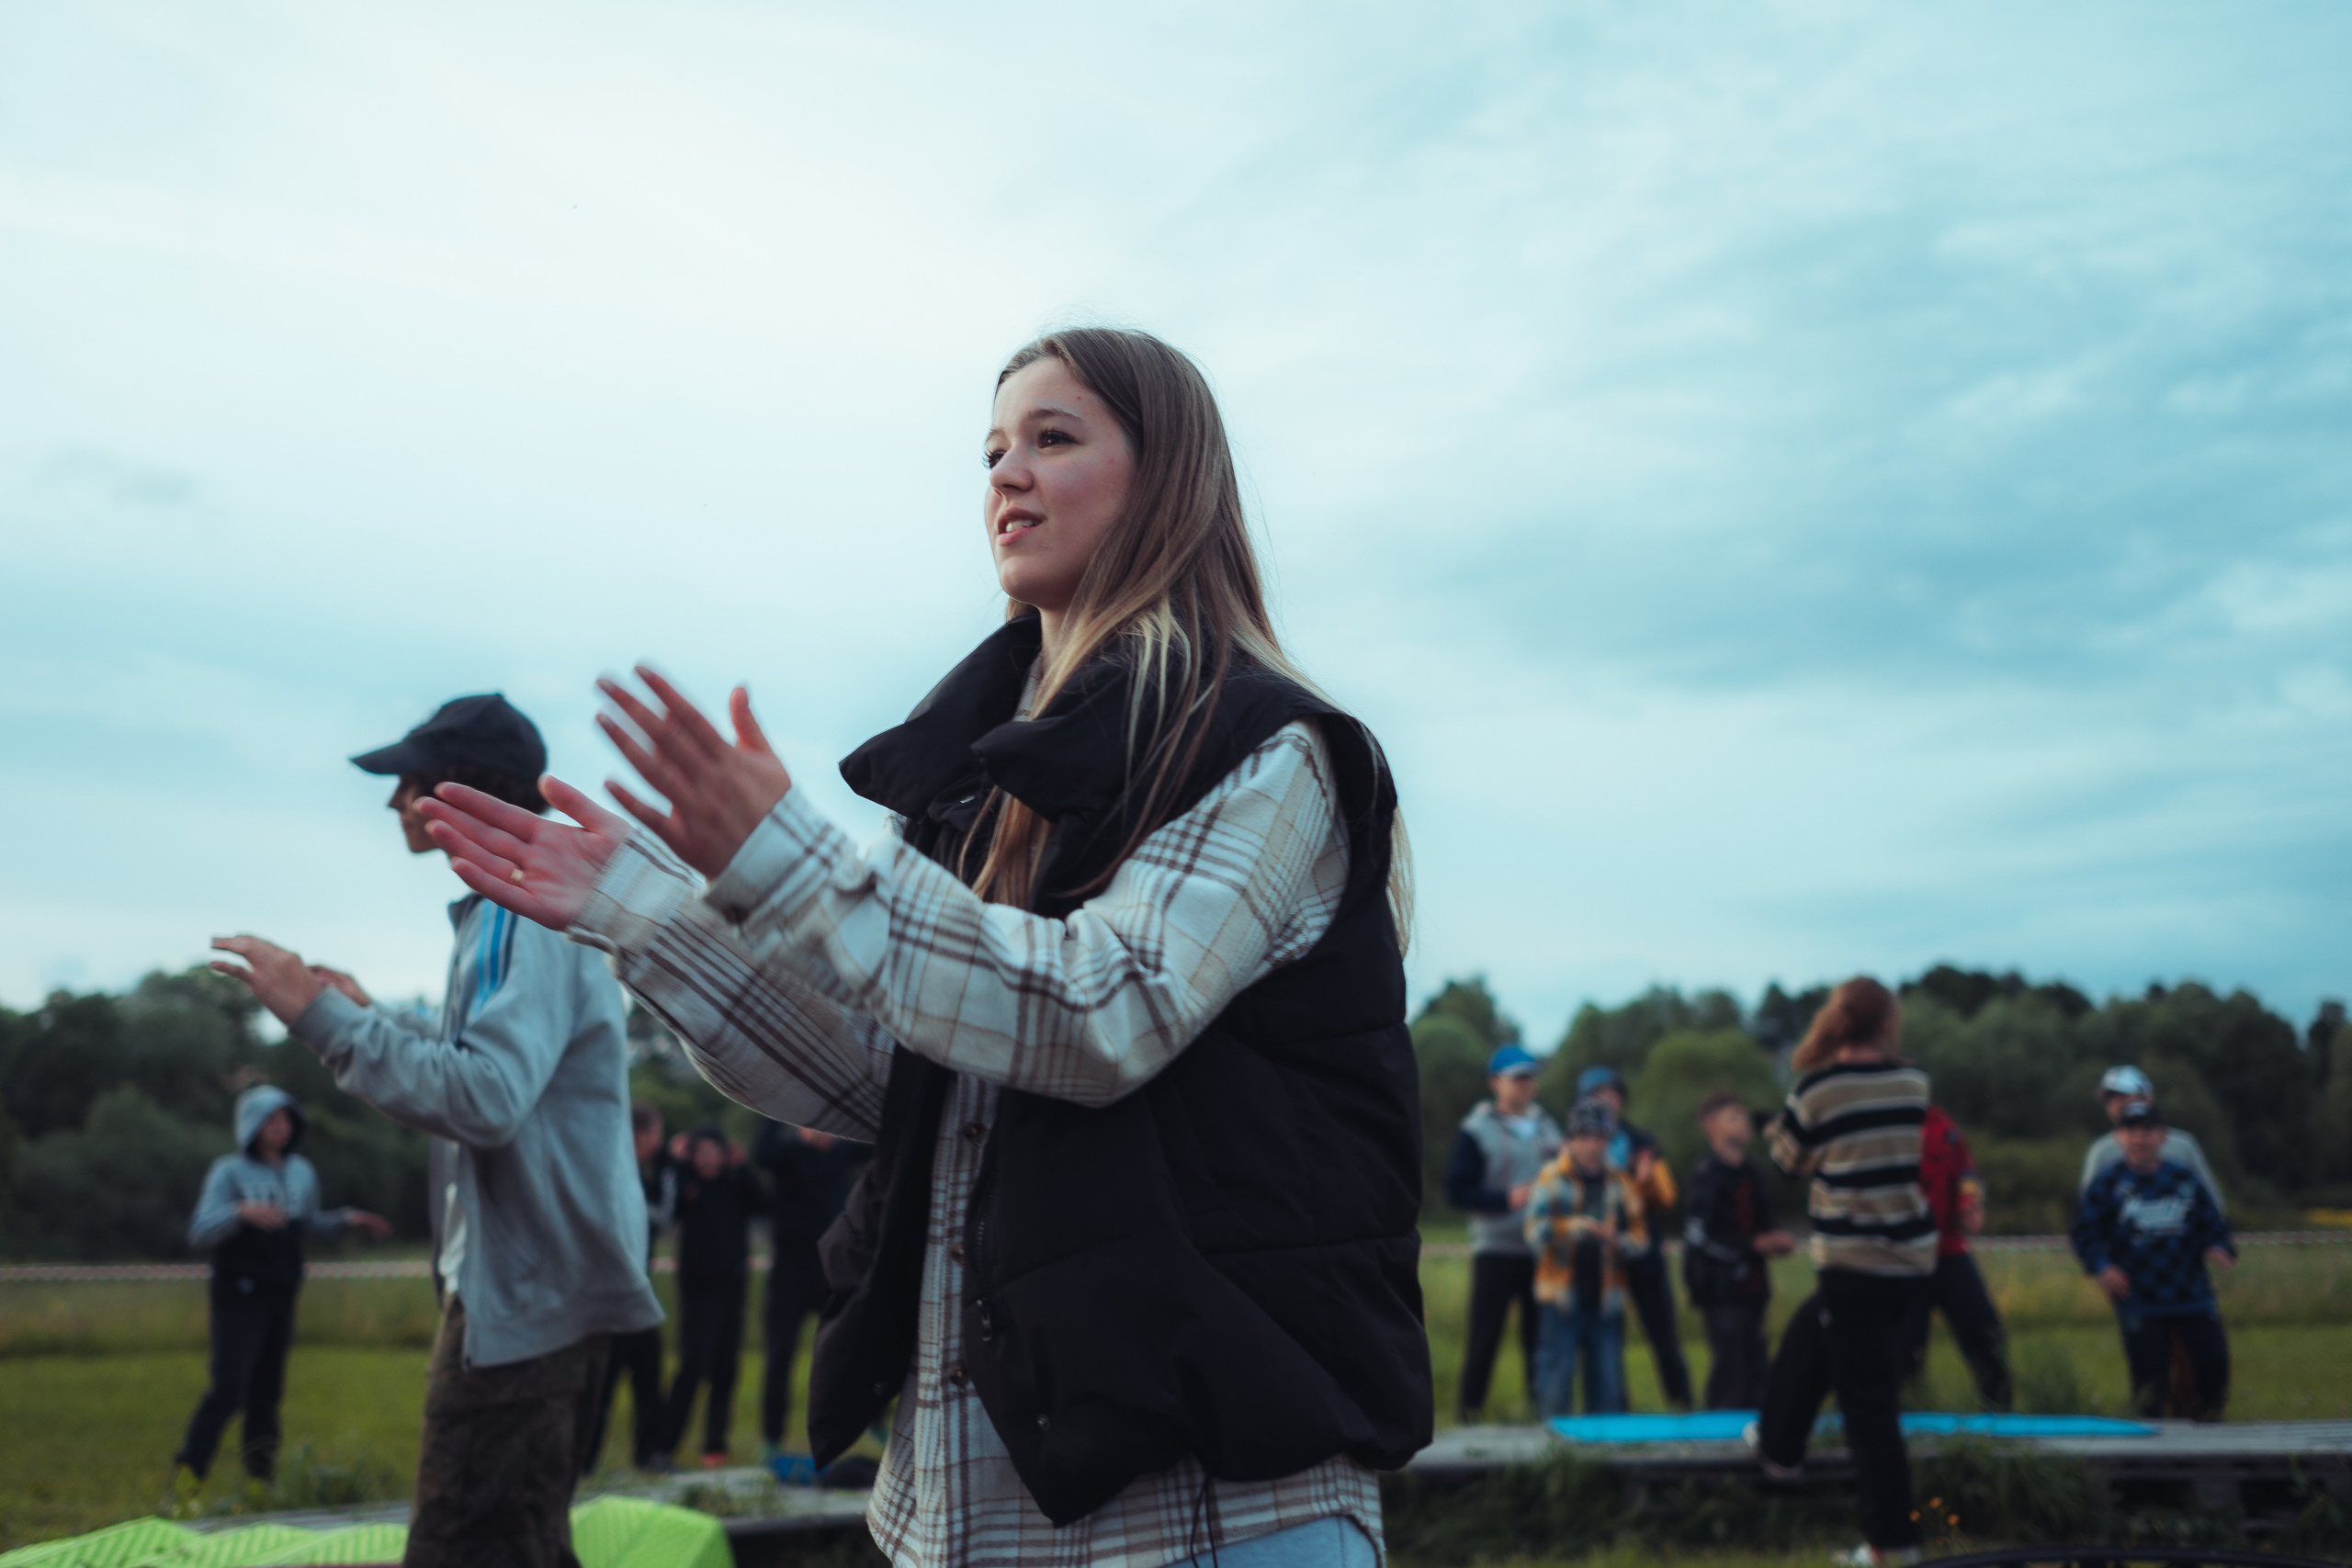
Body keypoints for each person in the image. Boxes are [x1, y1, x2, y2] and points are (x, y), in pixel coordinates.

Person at [419, 328, 1430, 1567]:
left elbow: (1096, 1014)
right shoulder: (970, 781)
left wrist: (789, 853)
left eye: (1053, 439)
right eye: (994, 448)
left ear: (1169, 476)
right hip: (962, 1512)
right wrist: (650, 914)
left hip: (1205, 1519)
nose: (1006, 474)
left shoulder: (1268, 750)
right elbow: (889, 1075)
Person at [210, 693, 663, 1568]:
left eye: (407, 781)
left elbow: (486, 1098)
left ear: (462, 789)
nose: (393, 803)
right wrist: (377, 1017)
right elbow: (504, 1076)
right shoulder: (529, 906)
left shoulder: (515, 907)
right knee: (527, 1543)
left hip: (524, 1302)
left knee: (461, 1551)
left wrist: (320, 1019)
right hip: (552, 1293)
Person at [1752, 978, 1936, 1568]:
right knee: (1811, 1332)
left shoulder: (1819, 1088)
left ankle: (1892, 1546)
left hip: (1853, 1260)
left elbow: (1790, 1161)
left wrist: (1775, 1124)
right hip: (1910, 1261)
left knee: (1869, 1407)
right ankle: (1778, 1445)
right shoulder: (1914, 1083)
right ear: (1887, 1023)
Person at [173, 1084, 390, 1501]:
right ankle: (186, 1480)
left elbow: (305, 1223)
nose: (280, 1128)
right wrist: (240, 1212)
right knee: (229, 1388)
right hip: (238, 1294)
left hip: (281, 1293)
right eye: (270, 1120)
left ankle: (261, 1484)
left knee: (267, 1394)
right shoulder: (229, 1172)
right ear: (251, 1125)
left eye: (286, 1119)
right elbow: (200, 1230)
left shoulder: (301, 1172)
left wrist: (348, 1220)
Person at [2073, 1099, 2236, 1420]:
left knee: (2213, 1367)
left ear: (2162, 1137)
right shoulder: (2107, 1183)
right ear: (2120, 1138)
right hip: (2139, 1296)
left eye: (2147, 1131)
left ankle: (2207, 1435)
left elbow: (2213, 1223)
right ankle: (2152, 1451)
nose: (2139, 1138)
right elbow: (2084, 1233)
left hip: (2191, 1293)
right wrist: (2102, 1267)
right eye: (2131, 1131)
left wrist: (2219, 1247)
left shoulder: (2183, 1180)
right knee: (2150, 1382)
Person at [1443, 1043, 1564, 1423]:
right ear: (1495, 1082)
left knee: (1539, 1339)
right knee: (1485, 1337)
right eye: (1517, 1079)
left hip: (1539, 1249)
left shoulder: (1549, 1126)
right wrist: (1505, 1199)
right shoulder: (1475, 1130)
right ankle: (1468, 1414)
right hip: (1494, 1248)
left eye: (1530, 1077)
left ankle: (1541, 1413)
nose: (1526, 1085)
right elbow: (1456, 1191)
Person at [1576, 1065, 1692, 1410]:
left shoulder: (1643, 1142)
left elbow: (1667, 1199)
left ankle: (1682, 1404)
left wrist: (1645, 1181)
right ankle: (1615, 1412)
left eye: (1614, 1093)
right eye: (1600, 1094)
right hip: (1600, 1260)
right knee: (1605, 1342)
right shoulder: (1574, 1146)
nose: (1609, 1100)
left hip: (1644, 1255)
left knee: (1664, 1337)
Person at [752, 1117, 866, 1468]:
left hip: (830, 1269)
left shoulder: (842, 1152)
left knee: (848, 1350)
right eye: (814, 1126)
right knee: (780, 1354)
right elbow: (762, 1152)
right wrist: (774, 1110)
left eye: (827, 1125)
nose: (822, 1133)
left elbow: (885, 1139)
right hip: (789, 1272)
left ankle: (860, 1423)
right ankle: (771, 1437)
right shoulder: (787, 1152)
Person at [1524, 1099, 1647, 1416]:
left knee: (1608, 1383)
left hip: (1606, 1298)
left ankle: (1607, 1455)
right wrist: (1574, 1228)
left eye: (1599, 1138)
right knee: (1556, 1377)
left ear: (1608, 1141)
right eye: (1585, 1137)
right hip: (1561, 1297)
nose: (1592, 1145)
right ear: (1571, 1140)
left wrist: (1617, 1241)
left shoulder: (1622, 1182)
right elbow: (1533, 1231)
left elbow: (1640, 1238)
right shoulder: (1551, 1177)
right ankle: (1552, 1450)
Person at [658, 1125, 771, 1468]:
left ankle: (714, 1446)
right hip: (696, 1290)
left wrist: (743, 1167)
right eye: (701, 1152)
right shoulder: (685, 1185)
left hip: (732, 1286)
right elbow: (667, 1211)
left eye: (715, 1152)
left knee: (726, 1367)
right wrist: (675, 1164)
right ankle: (664, 1447)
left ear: (725, 1155)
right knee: (692, 1365)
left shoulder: (736, 1184)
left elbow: (766, 1205)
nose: (708, 1159)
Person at [584, 1102, 680, 1473]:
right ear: (641, 1135)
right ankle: (586, 1458)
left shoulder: (638, 1170)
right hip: (611, 1294)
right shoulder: (616, 1170)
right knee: (603, 1383)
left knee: (648, 1376)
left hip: (635, 1293)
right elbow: (654, 1217)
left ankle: (648, 1453)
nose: (660, 1141)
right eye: (657, 1133)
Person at [1680, 1093, 1792, 1410]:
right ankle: (1719, 1438)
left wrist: (1774, 1241)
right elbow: (1699, 1237)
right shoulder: (1707, 1176)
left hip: (1753, 1287)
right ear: (1710, 1126)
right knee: (1730, 1366)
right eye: (1733, 1117)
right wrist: (1751, 1246)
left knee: (1757, 1364)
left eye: (1743, 1117)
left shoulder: (1753, 1173)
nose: (1744, 1124)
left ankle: (1757, 1434)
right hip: (1721, 1289)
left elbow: (1761, 1225)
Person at [1901, 1102, 2011, 1409]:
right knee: (1903, 1348)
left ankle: (2001, 1419)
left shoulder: (1940, 1123)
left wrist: (1969, 1201)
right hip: (1902, 1259)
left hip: (1949, 1250)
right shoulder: (1880, 1125)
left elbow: (1967, 1170)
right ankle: (1906, 1422)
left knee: (1985, 1333)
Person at [2079, 1065, 2226, 1213]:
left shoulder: (2183, 1146)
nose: (2116, 1104)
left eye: (2123, 1096)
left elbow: (2212, 1201)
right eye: (2110, 1100)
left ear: (2147, 1097)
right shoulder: (2102, 1151)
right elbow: (2087, 1208)